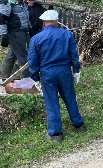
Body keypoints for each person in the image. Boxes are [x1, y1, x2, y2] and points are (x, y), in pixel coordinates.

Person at [26, 9, 85, 141]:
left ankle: (55, 134)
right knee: (70, 98)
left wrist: (35, 78)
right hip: (64, 71)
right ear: (56, 21)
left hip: (48, 73)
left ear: (43, 22)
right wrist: (76, 70)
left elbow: (32, 60)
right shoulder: (66, 34)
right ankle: (78, 125)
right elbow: (74, 55)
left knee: (52, 103)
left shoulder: (36, 38)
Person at [0, 0, 36, 79]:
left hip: (23, 30)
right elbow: (1, 19)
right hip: (15, 32)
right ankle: (28, 82)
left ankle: (4, 78)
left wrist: (30, 28)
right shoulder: (6, 0)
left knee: (11, 55)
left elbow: (25, 15)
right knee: (23, 57)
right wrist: (4, 35)